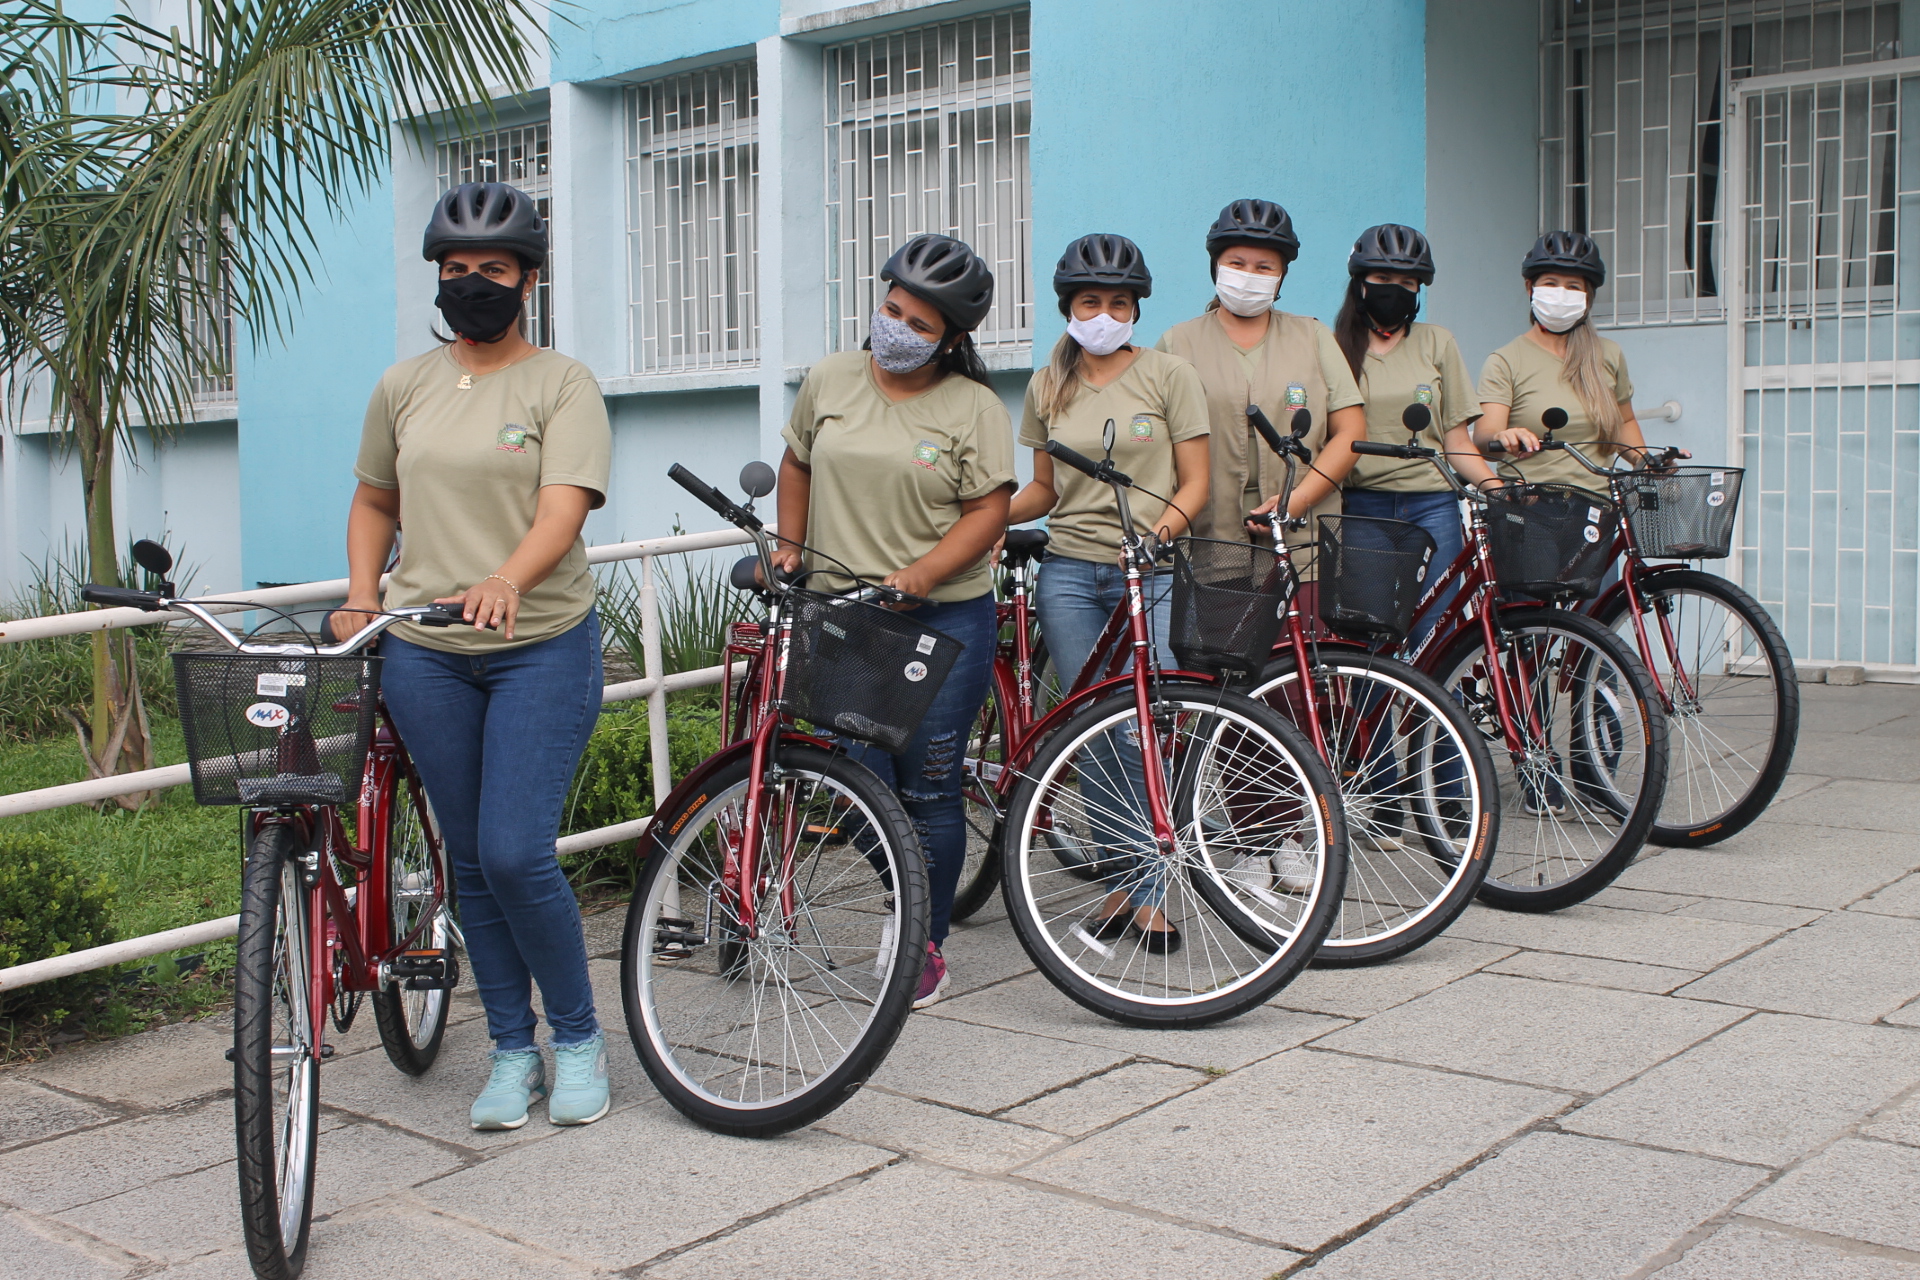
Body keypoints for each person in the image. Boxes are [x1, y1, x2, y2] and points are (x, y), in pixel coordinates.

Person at [332, 181, 613, 1130]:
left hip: (538, 642)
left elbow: (564, 504)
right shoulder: (401, 385)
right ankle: (508, 1048)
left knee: (514, 852)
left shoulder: (560, 382)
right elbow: (376, 500)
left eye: (493, 270)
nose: (473, 285)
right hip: (425, 650)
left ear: (527, 280)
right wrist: (364, 594)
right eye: (456, 272)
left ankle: (576, 1040)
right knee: (464, 862)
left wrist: (508, 579)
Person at [772, 233, 1014, 1008]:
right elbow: (798, 463)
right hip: (845, 616)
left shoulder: (972, 407)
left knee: (931, 790)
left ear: (951, 338)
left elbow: (989, 512)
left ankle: (924, 943)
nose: (896, 329)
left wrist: (923, 573)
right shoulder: (830, 380)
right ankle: (908, 900)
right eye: (891, 309)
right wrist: (789, 550)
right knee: (857, 776)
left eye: (918, 323)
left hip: (945, 619)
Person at [1008, 233, 1209, 951]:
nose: (1103, 314)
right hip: (1068, 573)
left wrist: (1160, 532)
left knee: (1141, 725)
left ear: (1135, 309)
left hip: (1146, 570)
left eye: (1118, 303)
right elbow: (1041, 488)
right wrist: (974, 519)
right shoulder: (1047, 384)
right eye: (1090, 302)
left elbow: (1196, 482)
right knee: (1089, 728)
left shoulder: (1168, 374)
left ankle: (1148, 889)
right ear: (1069, 307)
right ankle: (1129, 885)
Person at [1155, 198, 1366, 563]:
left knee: (1302, 622)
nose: (1249, 275)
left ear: (1281, 275)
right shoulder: (1177, 343)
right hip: (1212, 545)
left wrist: (1295, 502)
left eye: (1264, 266)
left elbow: (1350, 433)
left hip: (1304, 542)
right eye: (1236, 264)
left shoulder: (1313, 336)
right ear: (1215, 266)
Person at [1335, 223, 1501, 641]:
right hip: (1361, 509)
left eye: (1407, 282)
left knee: (1435, 629)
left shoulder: (1437, 342)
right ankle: (1368, 710)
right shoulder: (1333, 347)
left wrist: (1497, 487)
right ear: (1360, 284)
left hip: (1433, 507)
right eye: (1383, 279)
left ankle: (1432, 710)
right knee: (1368, 636)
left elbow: (1457, 441)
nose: (1395, 289)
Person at [1474, 231, 1649, 493]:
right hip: (1530, 507)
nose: (1561, 294)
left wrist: (1646, 461)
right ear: (1530, 288)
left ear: (1587, 296)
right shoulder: (1505, 360)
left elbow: (1625, 422)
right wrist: (1503, 436)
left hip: (1599, 507)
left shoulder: (1608, 354)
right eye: (1550, 283)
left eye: (1573, 287)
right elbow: (1483, 438)